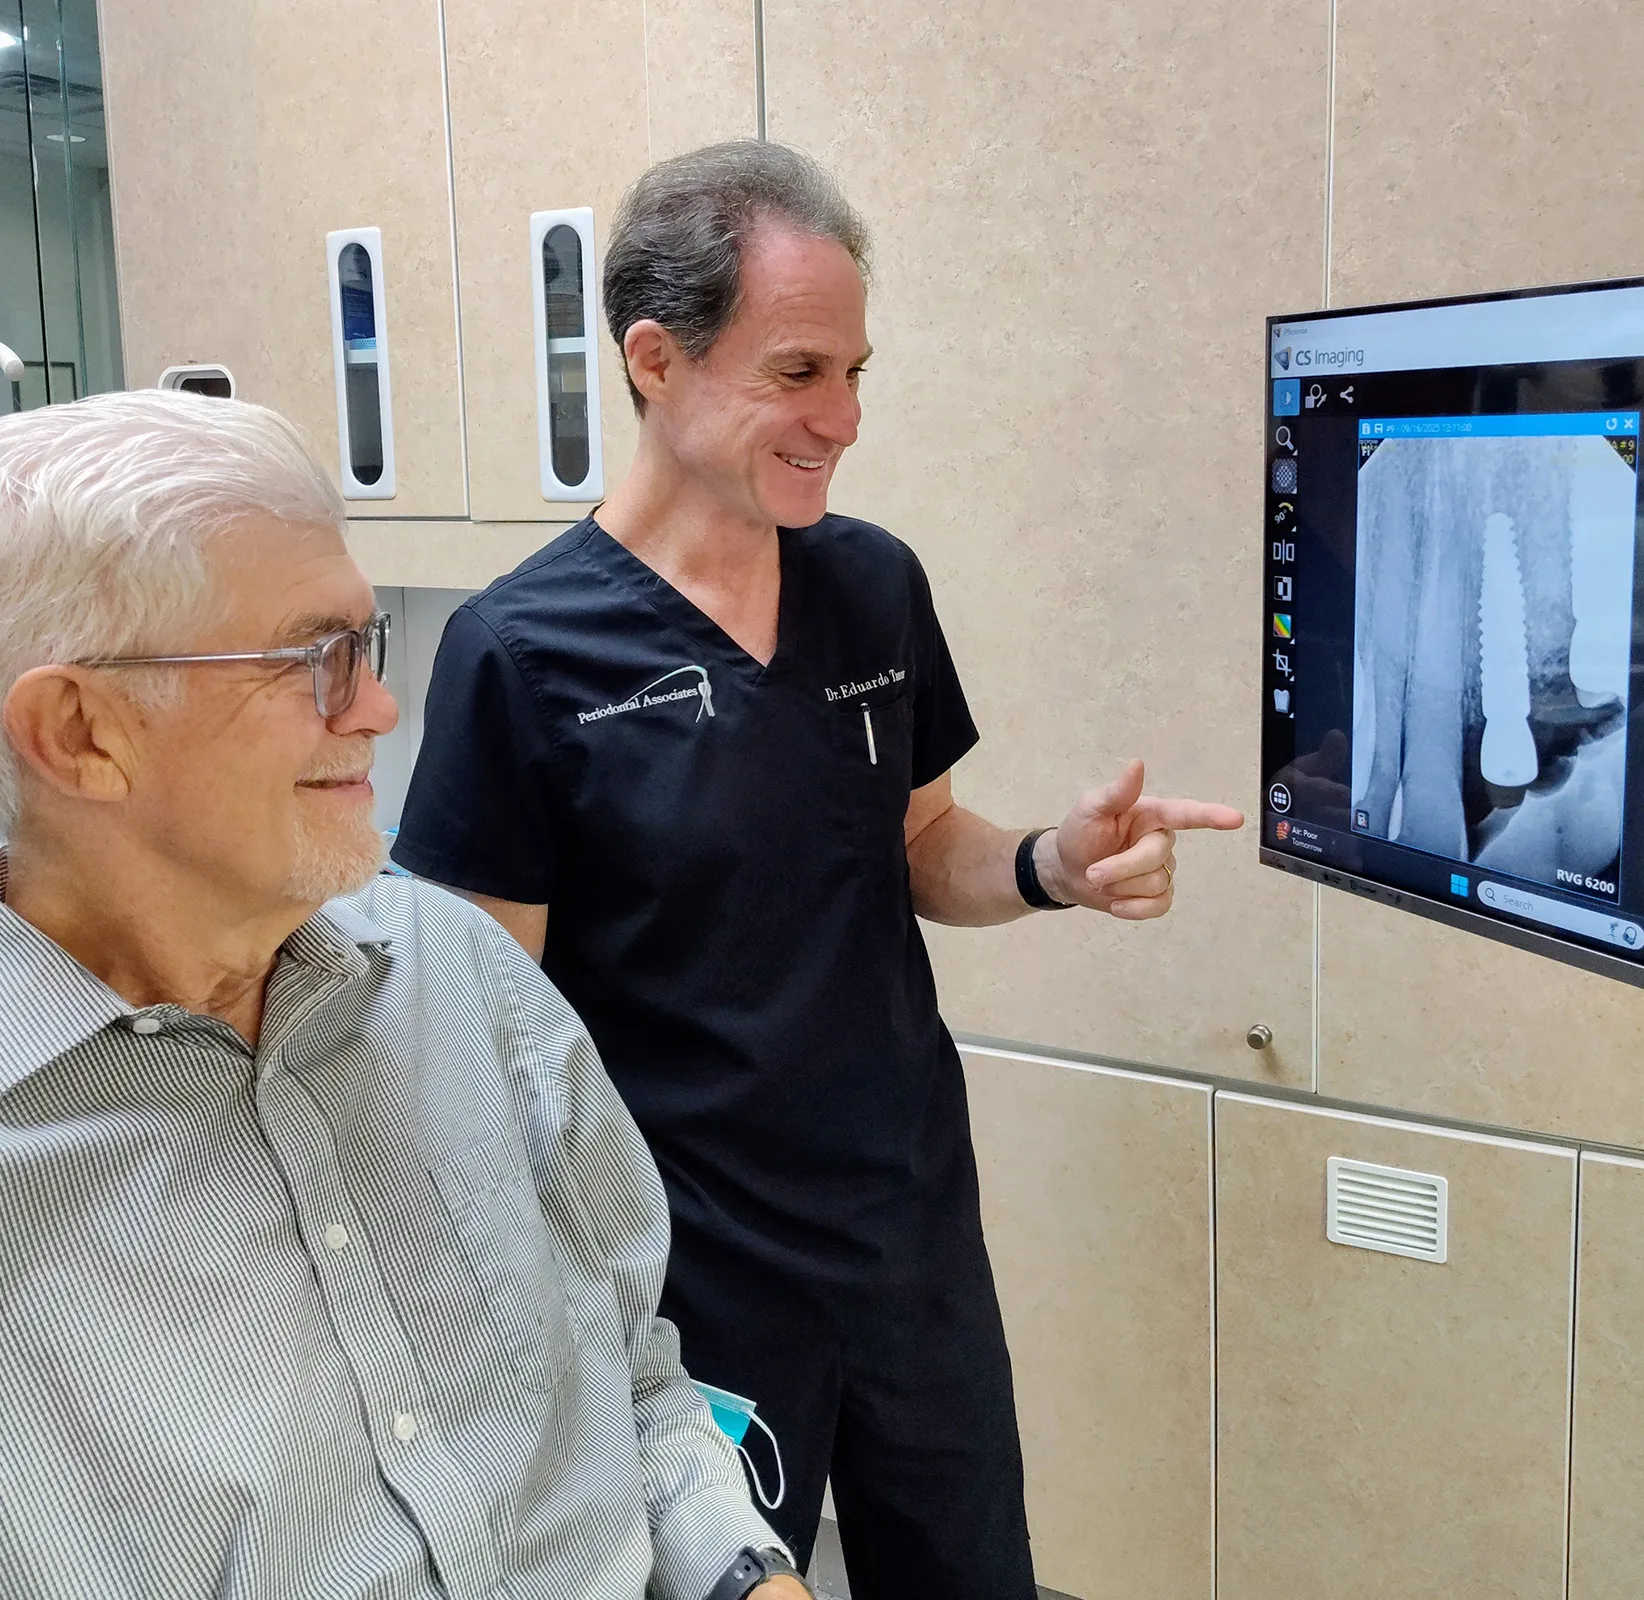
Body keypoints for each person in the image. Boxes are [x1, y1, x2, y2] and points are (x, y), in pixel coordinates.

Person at [393, 141, 1244, 1598]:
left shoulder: (872, 584)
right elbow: (480, 1043)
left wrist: (1051, 866)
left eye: (858, 373)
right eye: (800, 373)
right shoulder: (522, 656)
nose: (843, 419)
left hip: (912, 1233)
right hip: (696, 1283)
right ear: (656, 358)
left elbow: (917, 845)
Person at [0, 390, 809, 1600]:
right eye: (315, 661)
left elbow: (635, 1375)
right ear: (80, 731)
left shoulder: (453, 970)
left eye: (366, 650)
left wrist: (748, 1578)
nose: (376, 708)